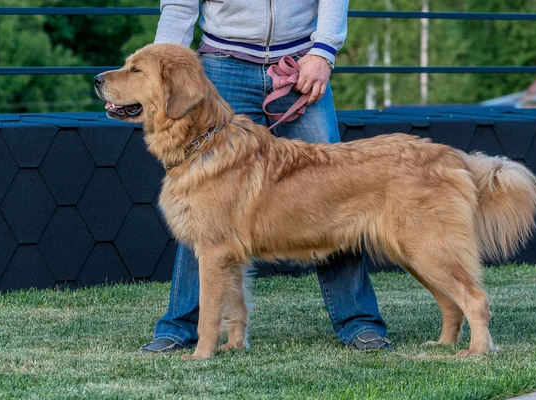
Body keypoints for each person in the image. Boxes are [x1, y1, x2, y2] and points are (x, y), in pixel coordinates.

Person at [140, 0, 390, 354]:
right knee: (200, 204)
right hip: (221, 66)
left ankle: (359, 323)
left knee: (336, 194)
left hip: (302, 64)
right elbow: (180, 6)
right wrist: (161, 67)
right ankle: (180, 328)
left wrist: (323, 51)